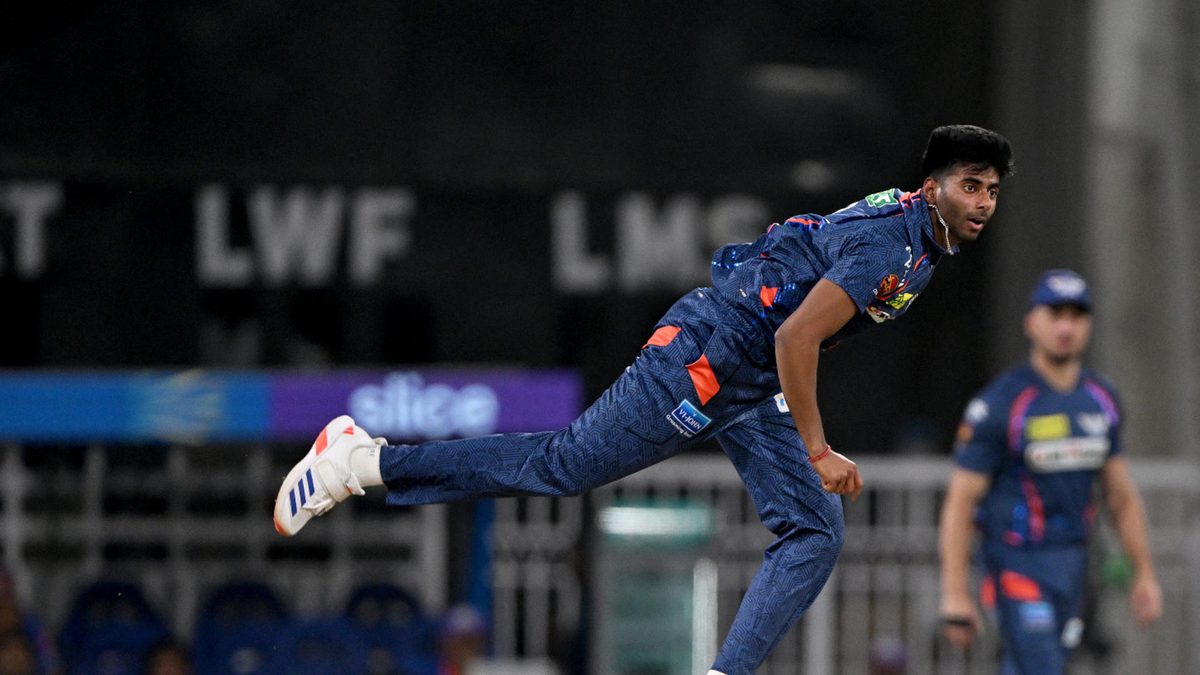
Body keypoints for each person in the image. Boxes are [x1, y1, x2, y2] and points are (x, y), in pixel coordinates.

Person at [275, 124, 1014, 673]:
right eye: (969, 185)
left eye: (991, 189)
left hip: (748, 375)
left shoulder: (922, 239)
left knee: (815, 528)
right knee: (563, 465)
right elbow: (796, 337)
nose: (982, 202)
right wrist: (817, 448)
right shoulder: (897, 242)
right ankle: (361, 460)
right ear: (932, 187)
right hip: (708, 361)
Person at [938, 269, 1163, 674]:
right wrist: (955, 594)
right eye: (1054, 313)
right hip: (1016, 561)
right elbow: (960, 503)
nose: (1065, 325)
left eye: (1076, 315)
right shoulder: (1000, 403)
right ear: (1031, 322)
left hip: (1076, 565)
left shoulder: (1101, 399)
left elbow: (1122, 498)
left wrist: (1143, 573)